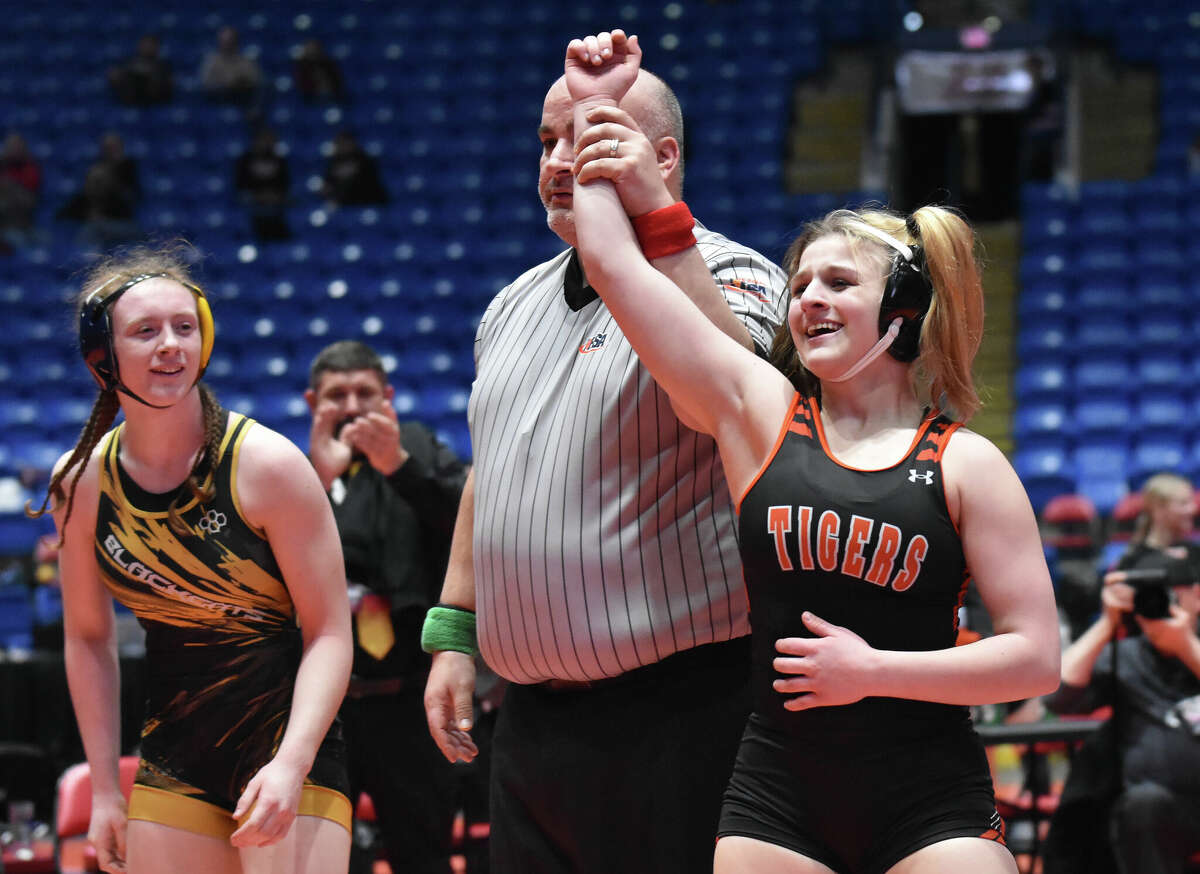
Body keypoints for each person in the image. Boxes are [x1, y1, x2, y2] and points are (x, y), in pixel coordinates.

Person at [564, 30, 1061, 874]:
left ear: (903, 309)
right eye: (799, 285)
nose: (808, 301)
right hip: (778, 791)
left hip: (928, 793)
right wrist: (594, 108)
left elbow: (1035, 657)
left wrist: (873, 670)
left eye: (838, 283)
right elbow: (611, 262)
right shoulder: (765, 416)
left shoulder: (967, 463)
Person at [421, 30, 786, 874]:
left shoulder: (738, 277)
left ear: (660, 157)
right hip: (532, 727)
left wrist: (655, 222)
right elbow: (496, 470)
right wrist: (453, 635)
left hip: (682, 710)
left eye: (587, 136)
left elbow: (737, 406)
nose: (559, 160)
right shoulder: (511, 303)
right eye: (549, 140)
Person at [26, 246, 353, 874]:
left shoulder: (269, 466)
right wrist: (102, 791)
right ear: (103, 360)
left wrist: (293, 762)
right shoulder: (81, 486)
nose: (170, 344)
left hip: (288, 745)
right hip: (175, 755)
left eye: (184, 326)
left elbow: (331, 633)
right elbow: (88, 639)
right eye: (144, 331)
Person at [304, 340, 467, 874]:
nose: (352, 406)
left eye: (364, 393)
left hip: (410, 702)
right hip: (326, 710)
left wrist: (395, 464)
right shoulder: (295, 472)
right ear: (312, 402)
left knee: (425, 856)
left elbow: (469, 531)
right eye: (337, 396)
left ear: (389, 397)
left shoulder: (417, 447)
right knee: (327, 860)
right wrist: (320, 483)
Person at [1043, 473, 1200, 874]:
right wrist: (1105, 624)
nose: (1163, 602)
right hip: (1163, 810)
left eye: (1176, 589)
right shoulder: (1128, 654)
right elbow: (1058, 695)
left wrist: (1185, 644)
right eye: (1156, 593)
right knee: (1141, 805)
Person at [57, 132, 142, 251]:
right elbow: (83, 200)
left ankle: (83, 262)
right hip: (99, 222)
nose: (110, 151)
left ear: (121, 148)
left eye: (113, 147)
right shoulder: (97, 169)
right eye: (107, 148)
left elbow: (131, 199)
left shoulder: (128, 168)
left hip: (122, 222)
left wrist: (113, 179)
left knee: (93, 229)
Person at [234, 128, 290, 242]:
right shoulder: (245, 160)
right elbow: (240, 184)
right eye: (263, 140)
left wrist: (274, 195)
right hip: (252, 200)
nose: (266, 143)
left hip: (276, 201)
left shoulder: (280, 160)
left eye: (270, 140)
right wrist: (257, 195)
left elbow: (285, 183)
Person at [199, 26, 262, 112]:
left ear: (236, 41)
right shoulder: (212, 61)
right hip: (218, 102)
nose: (227, 43)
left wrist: (240, 83)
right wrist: (227, 84)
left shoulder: (246, 62)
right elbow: (206, 83)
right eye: (224, 40)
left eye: (230, 40)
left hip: (242, 103)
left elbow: (255, 81)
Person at [321, 132, 388, 208]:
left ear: (352, 143)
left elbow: (369, 182)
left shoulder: (364, 159)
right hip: (344, 204)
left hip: (369, 200)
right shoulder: (334, 162)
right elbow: (328, 184)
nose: (342, 146)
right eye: (339, 143)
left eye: (344, 143)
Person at [0, 132, 41, 251]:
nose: (15, 150)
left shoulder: (31, 169)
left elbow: (30, 202)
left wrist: (11, 187)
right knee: (17, 241)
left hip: (26, 224)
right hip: (6, 227)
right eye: (11, 147)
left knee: (46, 241)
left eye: (18, 147)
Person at [107, 34, 173, 106]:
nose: (147, 47)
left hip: (154, 102)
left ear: (157, 47)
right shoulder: (129, 63)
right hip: (130, 100)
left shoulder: (163, 66)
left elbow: (166, 88)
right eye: (145, 44)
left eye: (151, 45)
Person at [293, 39, 345, 104]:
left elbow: (337, 82)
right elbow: (302, 86)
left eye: (314, 48)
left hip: (331, 96)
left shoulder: (328, 64)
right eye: (309, 48)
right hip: (310, 99)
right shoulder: (302, 67)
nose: (312, 51)